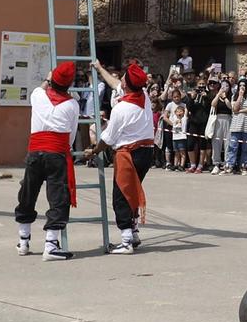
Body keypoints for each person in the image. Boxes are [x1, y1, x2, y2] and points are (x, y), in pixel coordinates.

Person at [14, 62, 81, 261]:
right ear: (69, 85)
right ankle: (51, 245)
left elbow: (43, 87)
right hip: (57, 154)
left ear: (51, 80)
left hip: (35, 152)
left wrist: (48, 78)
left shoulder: (37, 95)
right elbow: (71, 134)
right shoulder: (72, 105)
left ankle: (23, 241)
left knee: (27, 193)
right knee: (58, 197)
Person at [96, 61, 157, 254]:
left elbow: (108, 138)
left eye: (122, 78)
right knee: (132, 192)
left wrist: (94, 150)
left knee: (121, 195)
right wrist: (100, 69)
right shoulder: (144, 96)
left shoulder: (121, 109)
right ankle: (134, 232)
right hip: (147, 152)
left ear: (126, 85)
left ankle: (126, 241)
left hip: (129, 154)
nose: (120, 79)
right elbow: (115, 84)